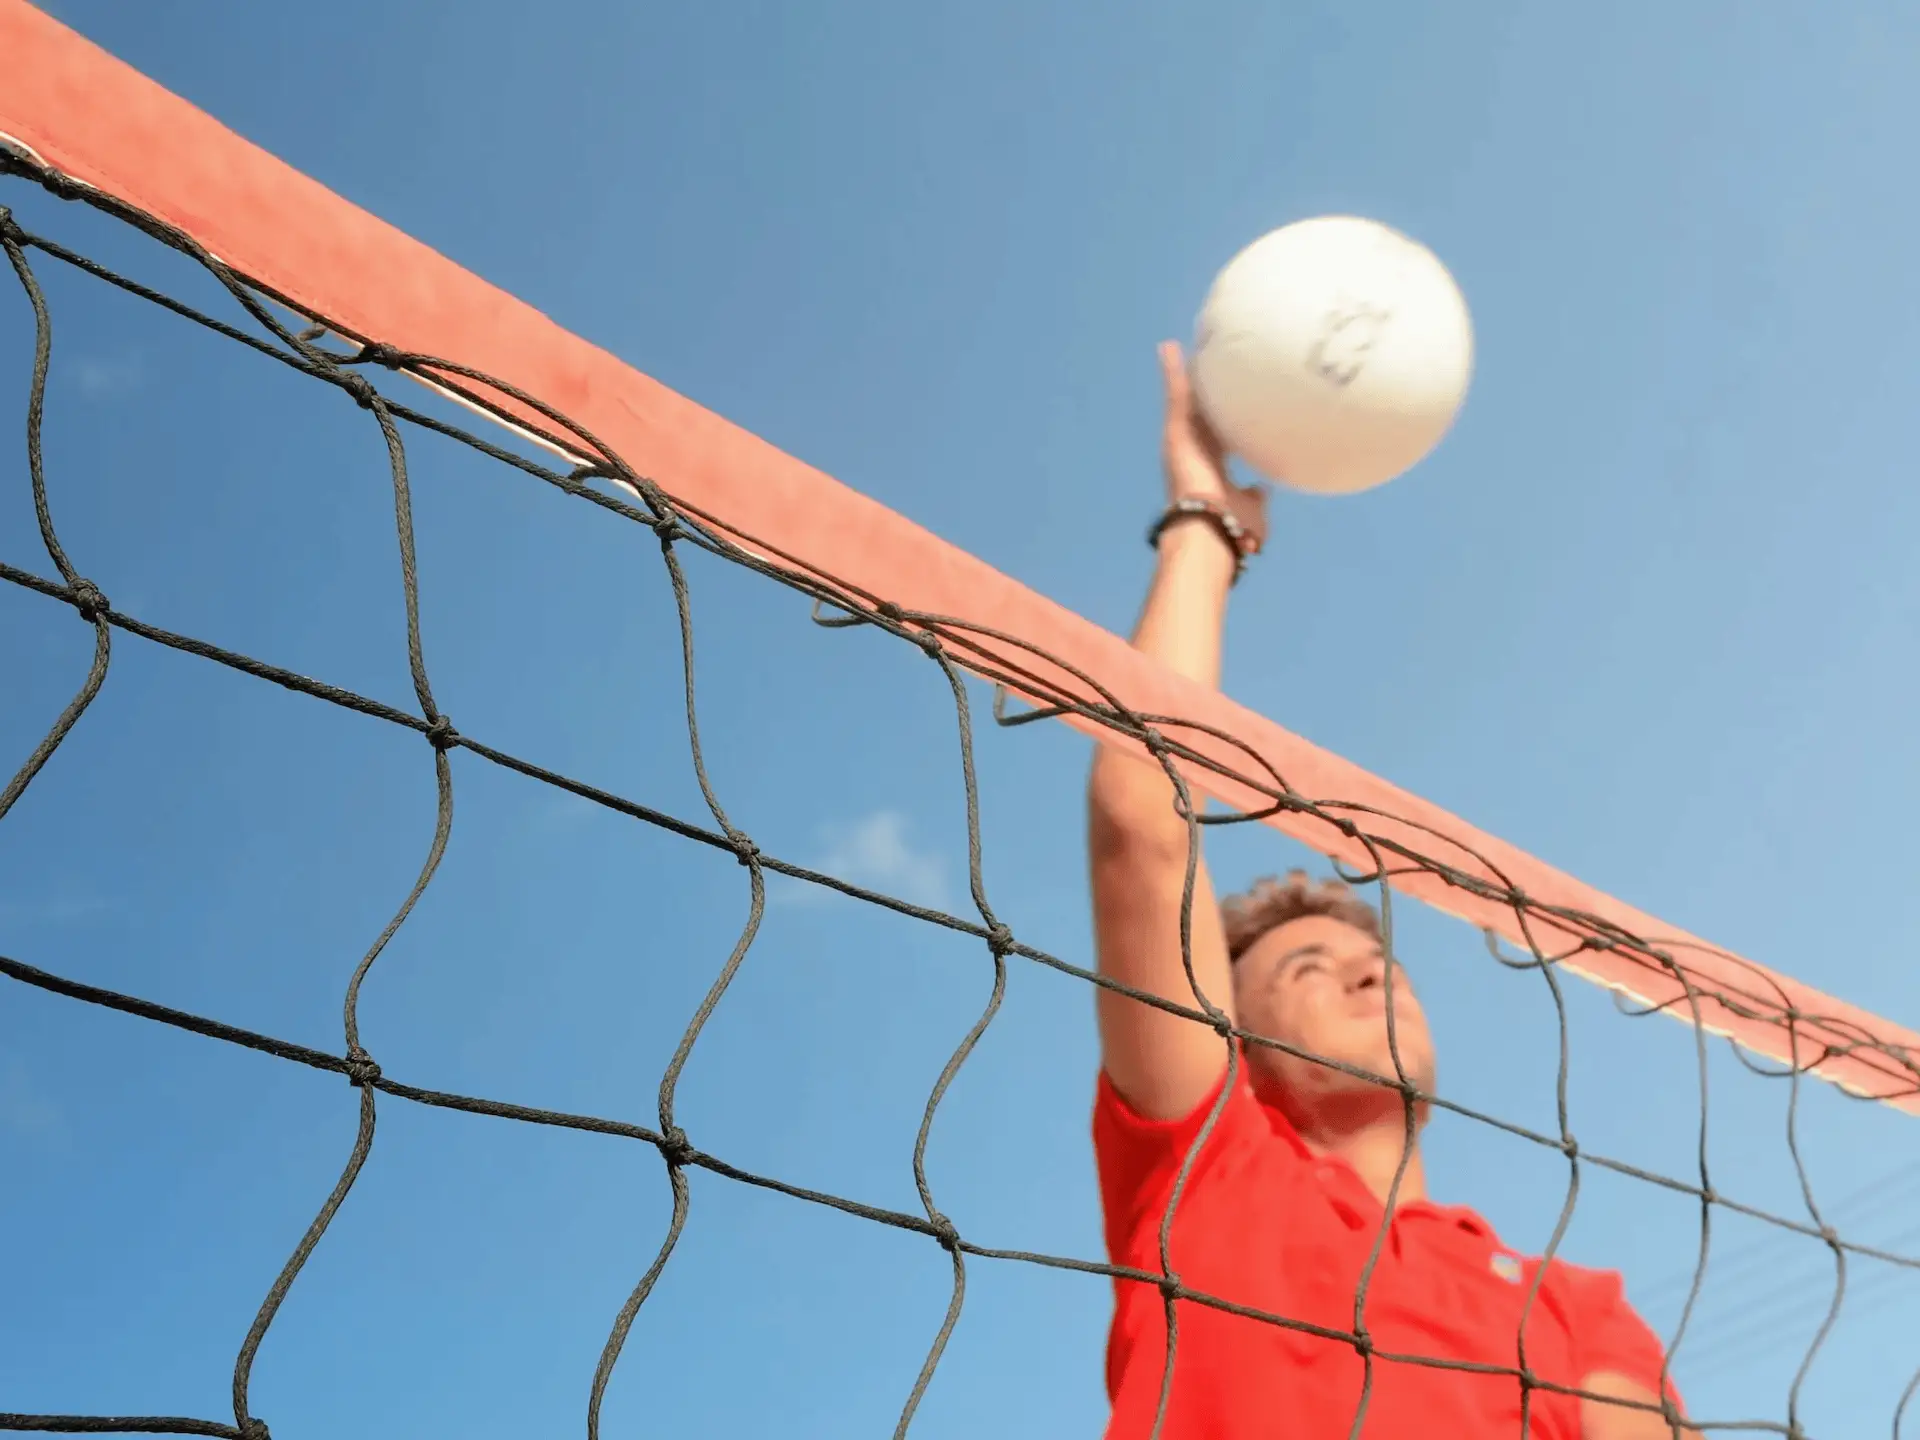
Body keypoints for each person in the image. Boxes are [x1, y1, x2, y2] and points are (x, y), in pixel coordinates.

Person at [1085, 342, 1690, 1439]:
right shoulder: (1209, 1170)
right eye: (1307, 969)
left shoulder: (1579, 1305)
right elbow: (1140, 811)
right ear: (1239, 1048)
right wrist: (1204, 524)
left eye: (1374, 959)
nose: (1369, 968)